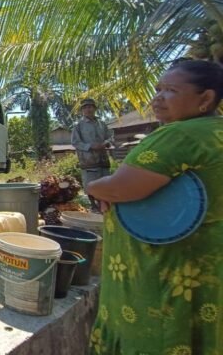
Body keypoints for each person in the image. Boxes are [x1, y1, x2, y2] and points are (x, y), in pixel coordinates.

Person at [86, 59, 223, 354]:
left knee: (159, 337)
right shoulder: (215, 132)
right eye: (158, 89)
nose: (157, 97)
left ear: (206, 98)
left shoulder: (181, 135)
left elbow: (120, 188)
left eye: (170, 90)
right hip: (203, 263)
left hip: (162, 272)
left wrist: (94, 187)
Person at [71, 98, 114, 212]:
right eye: (85, 107)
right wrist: (90, 146)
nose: (88, 109)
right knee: (90, 184)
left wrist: (107, 143)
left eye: (90, 106)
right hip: (88, 160)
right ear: (82, 110)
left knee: (105, 182)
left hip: (103, 158)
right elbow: (75, 142)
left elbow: (110, 136)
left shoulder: (102, 123)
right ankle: (93, 206)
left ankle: (104, 205)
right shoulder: (78, 125)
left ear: (94, 108)